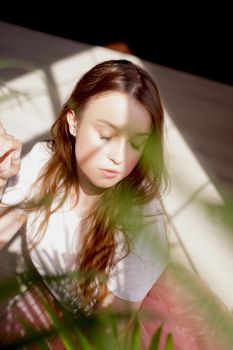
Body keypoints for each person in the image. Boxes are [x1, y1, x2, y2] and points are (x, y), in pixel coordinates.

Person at [0, 59, 169, 346]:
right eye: (106, 136)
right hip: (48, 298)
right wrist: (1, 178)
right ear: (73, 121)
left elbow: (112, 334)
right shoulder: (44, 163)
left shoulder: (143, 223)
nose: (119, 157)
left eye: (136, 143)